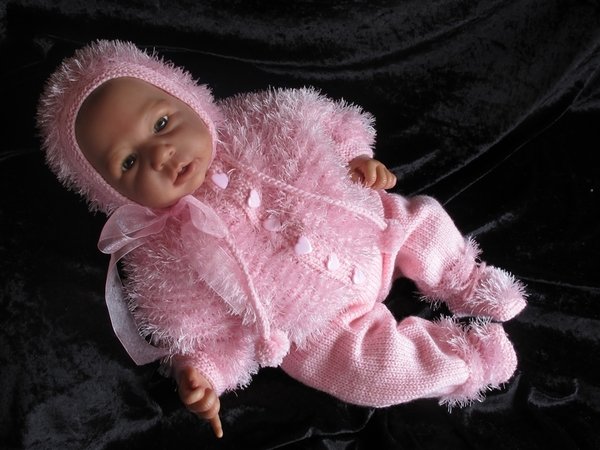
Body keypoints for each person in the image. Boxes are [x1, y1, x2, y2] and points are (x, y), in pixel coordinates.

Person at [37, 40, 526, 439]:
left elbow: (322, 118)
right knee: (369, 376)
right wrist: (203, 373)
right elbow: (199, 330)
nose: (161, 155)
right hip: (315, 324)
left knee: (419, 219)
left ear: (186, 97)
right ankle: (467, 361)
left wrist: (356, 157)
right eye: (129, 162)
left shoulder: (251, 118)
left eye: (162, 123)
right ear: (110, 193)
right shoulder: (159, 252)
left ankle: (470, 280)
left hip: (364, 230)